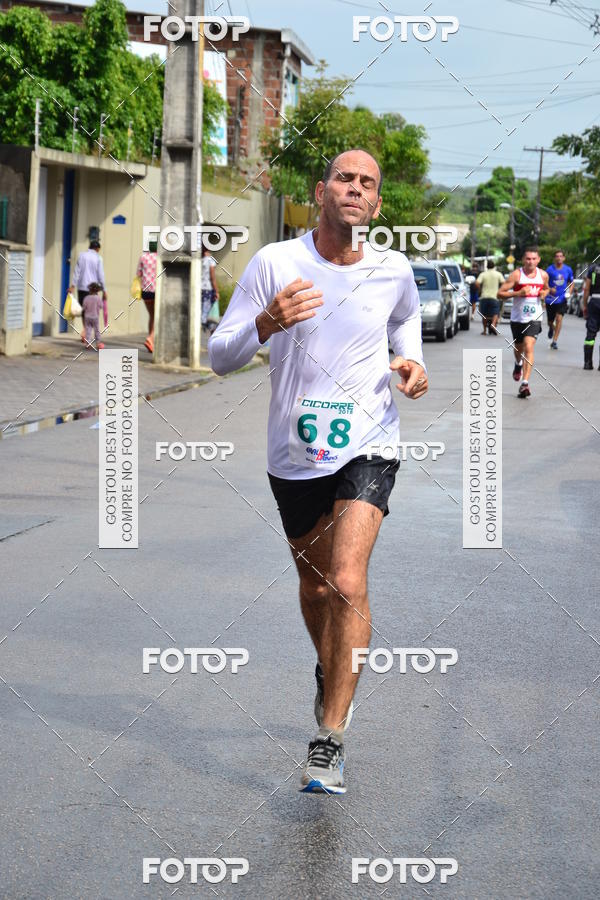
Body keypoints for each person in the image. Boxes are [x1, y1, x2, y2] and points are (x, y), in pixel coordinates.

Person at [209, 148, 428, 795]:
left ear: (377, 204)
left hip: (370, 443)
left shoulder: (394, 270)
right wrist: (266, 322)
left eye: (367, 183)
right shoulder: (276, 263)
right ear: (321, 191)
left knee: (347, 578)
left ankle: (329, 739)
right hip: (296, 455)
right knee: (315, 592)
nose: (355, 188)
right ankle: (330, 671)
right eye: (344, 178)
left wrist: (412, 365)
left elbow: (406, 325)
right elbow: (221, 356)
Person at [498, 247, 549, 398]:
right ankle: (518, 363)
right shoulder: (516, 275)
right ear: (523, 260)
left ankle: (525, 383)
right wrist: (517, 293)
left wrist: (544, 293)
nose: (531, 262)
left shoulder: (543, 275)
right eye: (528, 259)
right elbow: (500, 293)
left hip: (534, 318)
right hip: (517, 318)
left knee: (529, 346)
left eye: (534, 259)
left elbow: (546, 289)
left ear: (538, 260)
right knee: (518, 348)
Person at [69, 240, 107, 341]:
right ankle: (86, 332)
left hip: (81, 287)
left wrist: (73, 285)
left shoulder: (82, 256)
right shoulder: (98, 258)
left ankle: (85, 330)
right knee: (93, 310)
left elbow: (77, 271)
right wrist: (104, 290)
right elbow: (101, 275)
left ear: (89, 247)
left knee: (84, 310)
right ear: (98, 249)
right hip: (93, 289)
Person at [545, 249, 574, 349]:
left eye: (561, 256)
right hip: (550, 299)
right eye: (557, 256)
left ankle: (554, 341)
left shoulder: (568, 269)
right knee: (550, 321)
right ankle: (551, 328)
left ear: (564, 258)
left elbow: (571, 282)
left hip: (562, 299)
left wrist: (569, 292)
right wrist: (549, 289)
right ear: (554, 258)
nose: (559, 258)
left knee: (559, 319)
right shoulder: (549, 269)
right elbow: (544, 283)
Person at [136, 240, 158, 353]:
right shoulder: (159, 258)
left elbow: (138, 274)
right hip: (156, 290)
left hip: (145, 291)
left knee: (152, 316)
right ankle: (150, 338)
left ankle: (151, 343)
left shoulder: (143, 257)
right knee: (157, 317)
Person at [476, 260, 504, 335]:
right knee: (496, 312)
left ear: (487, 266)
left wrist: (480, 290)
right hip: (495, 297)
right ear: (494, 266)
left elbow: (477, 283)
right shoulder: (498, 274)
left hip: (484, 296)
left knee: (484, 314)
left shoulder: (483, 274)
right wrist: (500, 290)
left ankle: (484, 331)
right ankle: (493, 324)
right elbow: (504, 283)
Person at [582, 260, 600, 370]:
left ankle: (588, 363)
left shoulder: (593, 269)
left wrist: (584, 306)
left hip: (595, 301)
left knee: (590, 334)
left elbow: (587, 289)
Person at [201, 245, 220, 335]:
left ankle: (203, 325)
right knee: (208, 312)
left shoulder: (199, 260)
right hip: (208, 289)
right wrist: (216, 291)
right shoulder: (210, 260)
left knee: (202, 311)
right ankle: (210, 330)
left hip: (199, 289)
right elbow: (213, 278)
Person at [81, 282, 105, 350]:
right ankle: (98, 343)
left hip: (87, 317)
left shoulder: (86, 298)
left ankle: (88, 343)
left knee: (88, 330)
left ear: (89, 290)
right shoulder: (98, 298)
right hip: (95, 317)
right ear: (97, 291)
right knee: (96, 330)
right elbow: (101, 306)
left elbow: (84, 307)